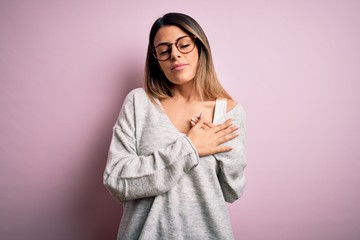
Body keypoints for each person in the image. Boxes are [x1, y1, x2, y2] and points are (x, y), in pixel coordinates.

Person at [103, 12, 247, 240]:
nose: (175, 55)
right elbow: (117, 180)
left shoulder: (229, 112)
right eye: (164, 50)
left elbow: (232, 191)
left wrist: (218, 143)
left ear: (200, 47)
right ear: (156, 59)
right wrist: (190, 147)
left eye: (184, 45)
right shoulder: (139, 103)